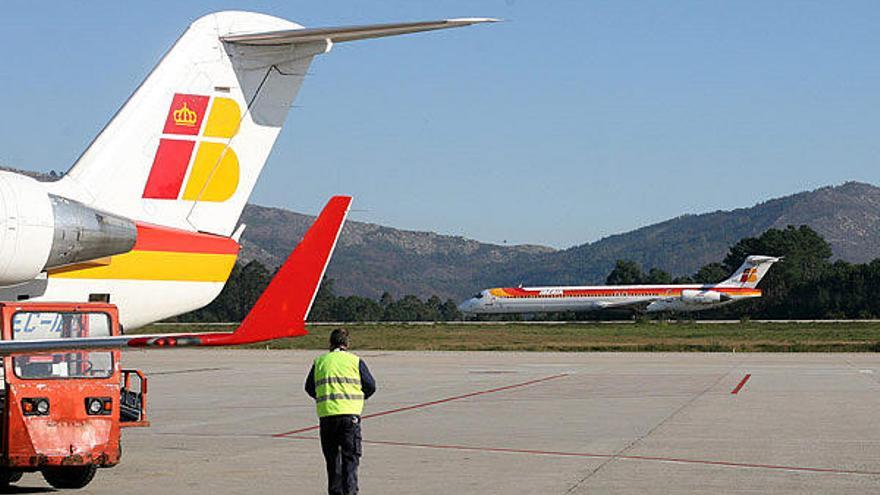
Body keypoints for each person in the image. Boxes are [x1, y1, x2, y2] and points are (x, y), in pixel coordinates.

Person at [305, 328, 376, 495]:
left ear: (330, 344)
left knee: (332, 462)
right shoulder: (355, 361)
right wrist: (357, 398)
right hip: (349, 417)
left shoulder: (320, 361)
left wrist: (325, 397)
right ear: (347, 344)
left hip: (327, 417)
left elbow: (309, 387)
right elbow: (371, 385)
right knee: (350, 460)